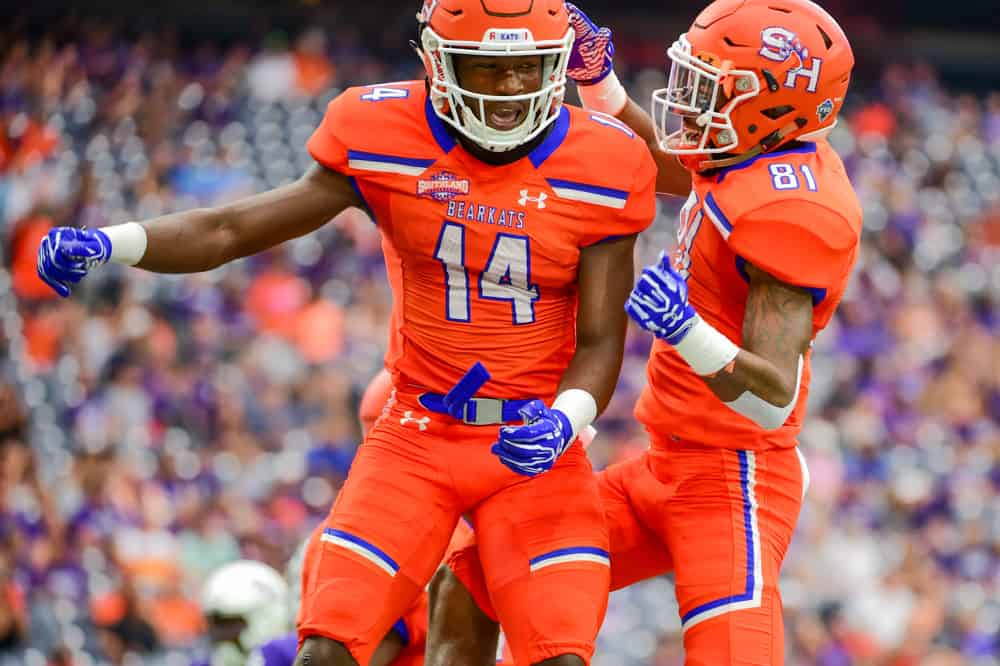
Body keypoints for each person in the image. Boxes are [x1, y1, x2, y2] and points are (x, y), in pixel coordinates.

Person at [36, 0, 658, 663]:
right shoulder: (381, 129)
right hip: (419, 434)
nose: (510, 89)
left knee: (558, 654)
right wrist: (114, 241)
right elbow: (232, 228)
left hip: (532, 441)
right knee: (327, 648)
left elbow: (598, 344)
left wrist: (564, 422)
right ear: (438, 66)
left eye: (527, 68)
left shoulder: (605, 162)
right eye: (488, 69)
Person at [424, 0, 862, 664]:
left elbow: (771, 398)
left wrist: (687, 331)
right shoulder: (749, 152)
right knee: (473, 572)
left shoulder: (792, 209)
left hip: (732, 479)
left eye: (712, 88)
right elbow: (660, 162)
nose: (687, 102)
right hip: (664, 463)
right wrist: (598, 84)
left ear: (775, 110)